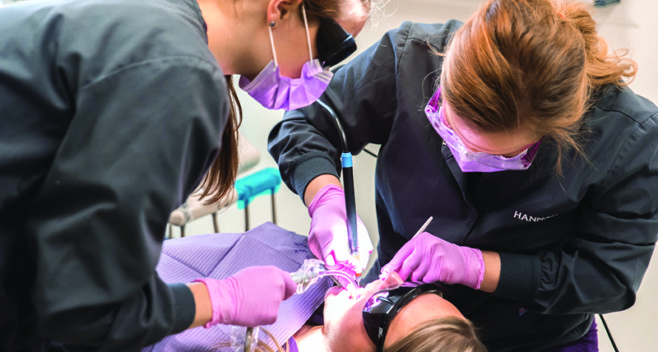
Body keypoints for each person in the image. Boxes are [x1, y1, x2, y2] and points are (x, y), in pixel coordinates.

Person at [268, 0, 658, 350]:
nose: (466, 159)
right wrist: (326, 199)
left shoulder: (627, 139)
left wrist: (476, 265)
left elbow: (607, 278)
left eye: (496, 157)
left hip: (533, 335)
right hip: (393, 329)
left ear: (556, 130)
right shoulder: (409, 59)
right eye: (449, 131)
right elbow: (305, 124)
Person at [0, 0, 372, 350]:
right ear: (281, 7)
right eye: (331, 48)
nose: (321, 72)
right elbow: (83, 303)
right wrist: (214, 300)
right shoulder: (177, 75)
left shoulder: (163, 24)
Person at [144, 222, 485, 352]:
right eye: (413, 288)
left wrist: (210, 302)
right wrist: (324, 193)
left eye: (385, 306)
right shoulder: (300, 263)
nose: (385, 279)